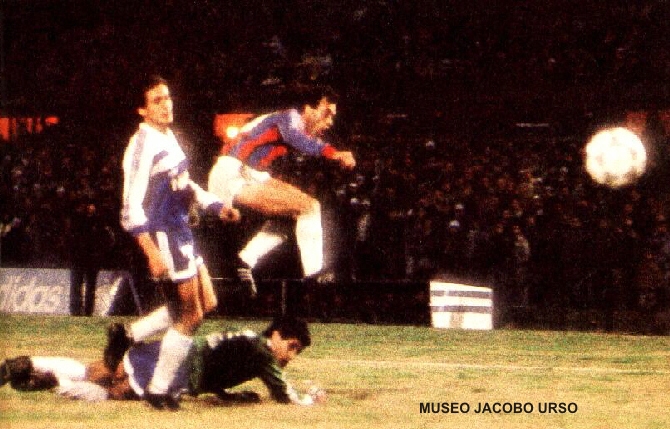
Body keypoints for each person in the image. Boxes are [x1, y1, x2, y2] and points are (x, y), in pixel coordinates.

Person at [112, 75, 240, 409]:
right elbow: (129, 207)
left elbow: (185, 184)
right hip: (165, 234)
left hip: (182, 230)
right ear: (142, 109)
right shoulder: (142, 144)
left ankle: (129, 336)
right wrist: (151, 251)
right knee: (191, 315)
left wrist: (216, 206)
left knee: (206, 303)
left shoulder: (167, 136)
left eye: (167, 97)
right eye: (157, 100)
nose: (166, 104)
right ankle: (158, 389)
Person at [207, 89, 356, 294]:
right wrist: (335, 153)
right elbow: (297, 138)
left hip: (248, 173)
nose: (330, 122)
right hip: (231, 173)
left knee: (301, 210)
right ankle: (315, 279)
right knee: (309, 207)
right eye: (326, 113)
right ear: (308, 109)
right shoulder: (289, 117)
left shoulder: (286, 123)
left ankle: (243, 262)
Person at [0, 317, 326, 407]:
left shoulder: (247, 339)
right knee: (117, 392)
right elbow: (284, 395)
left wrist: (228, 396)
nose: (290, 356)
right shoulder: (263, 354)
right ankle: (56, 382)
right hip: (178, 368)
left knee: (99, 370)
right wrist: (310, 400)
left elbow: (219, 366)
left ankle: (29, 363)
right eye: (292, 347)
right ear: (277, 335)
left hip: (169, 350)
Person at [68, 200, 111, 316]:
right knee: (76, 285)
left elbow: (105, 238)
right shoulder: (78, 220)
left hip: (92, 259)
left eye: (93, 205)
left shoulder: (99, 221)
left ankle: (88, 311)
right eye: (89, 205)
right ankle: (75, 310)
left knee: (90, 286)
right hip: (78, 258)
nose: (91, 208)